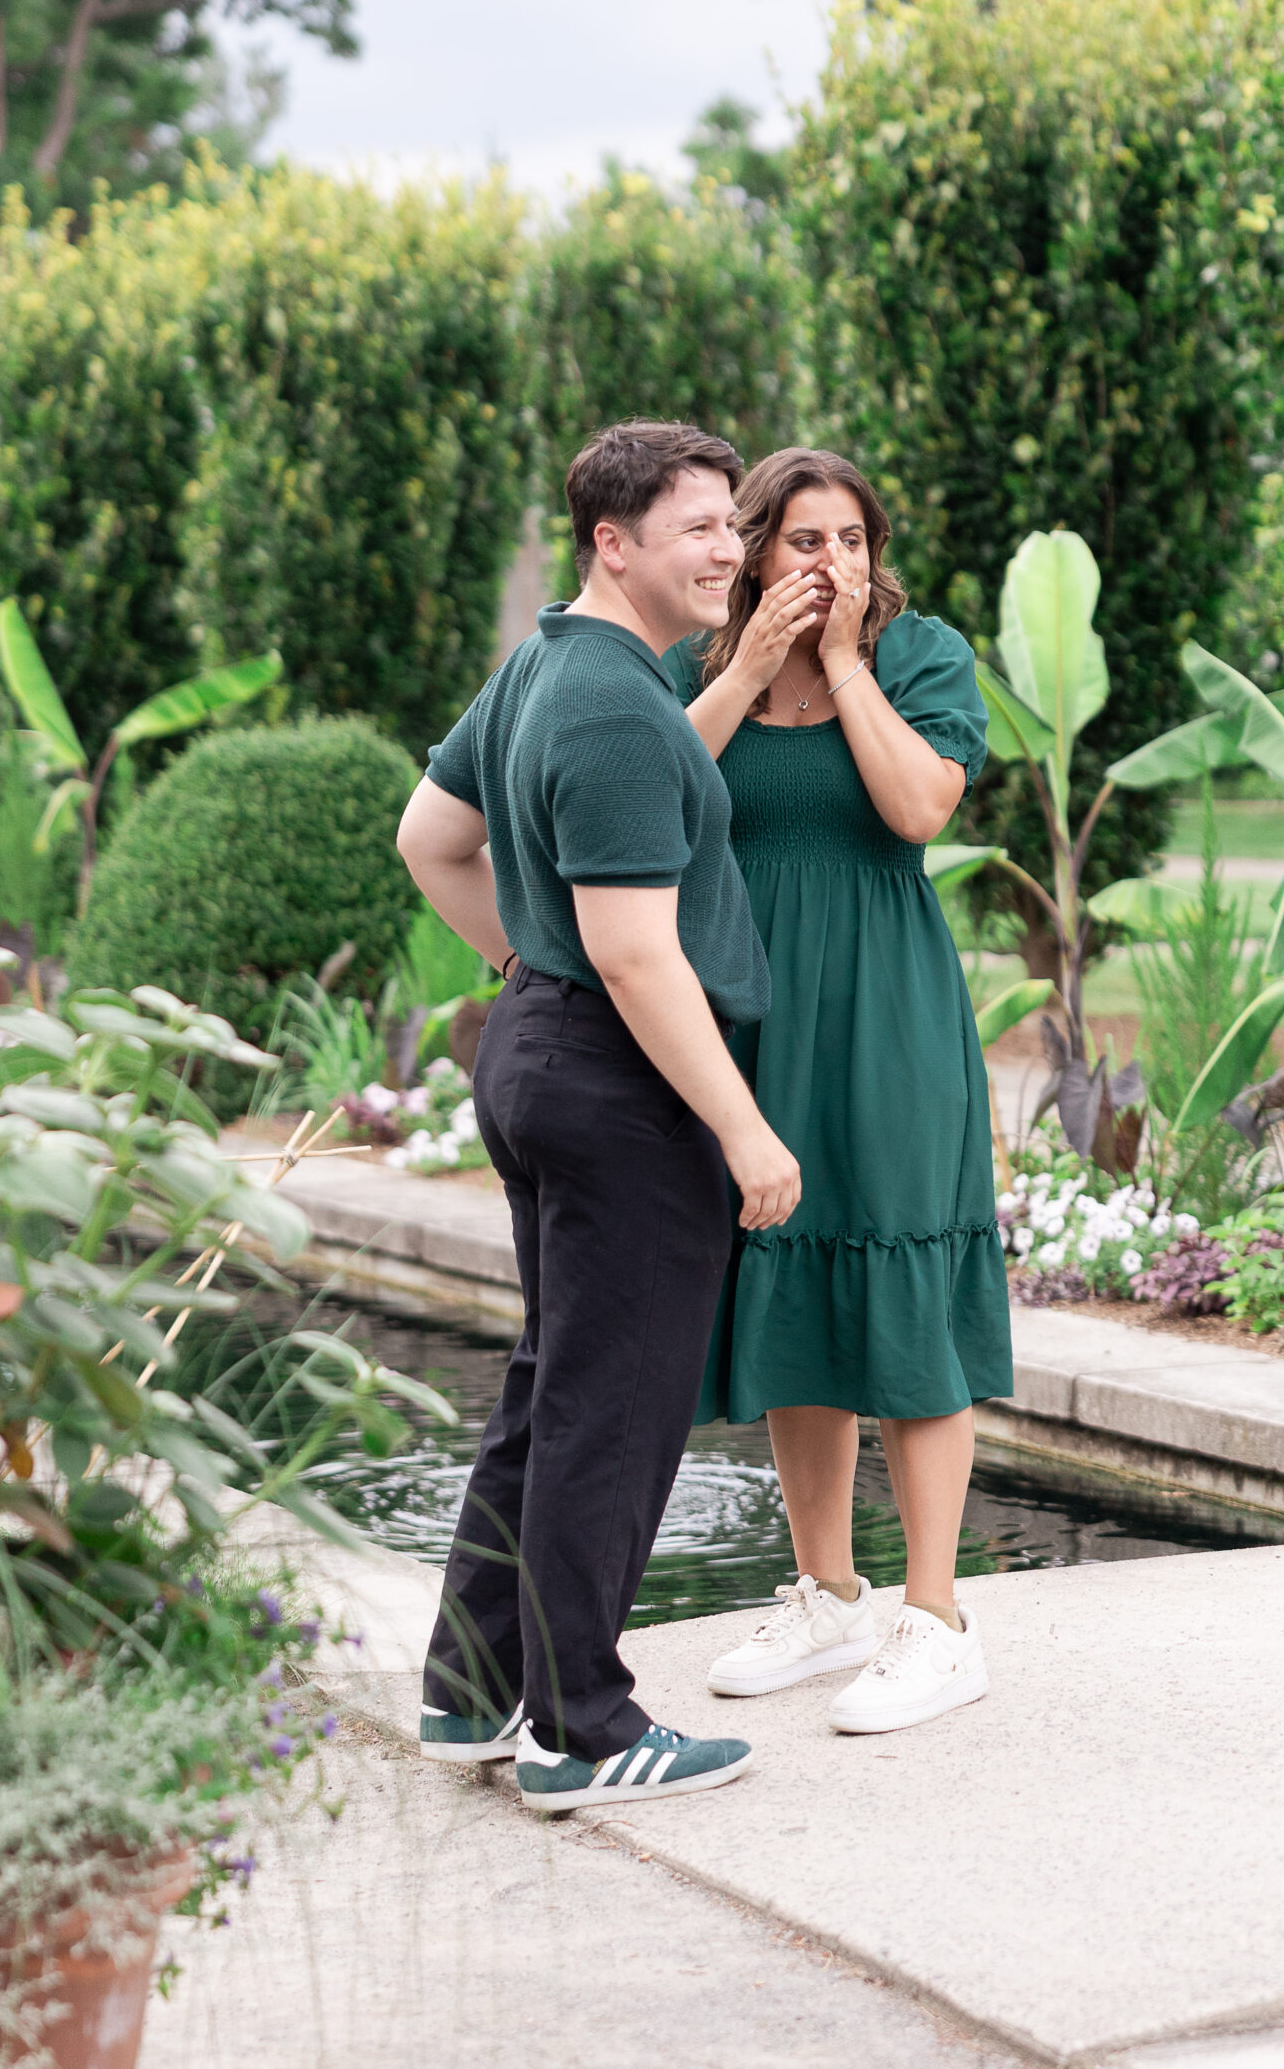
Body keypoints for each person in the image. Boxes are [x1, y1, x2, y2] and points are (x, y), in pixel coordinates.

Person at [396, 419, 802, 1813]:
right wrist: (743, 1129)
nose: (727, 552)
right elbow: (635, 951)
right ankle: (582, 1727)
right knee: (609, 1411)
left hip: (541, 1055)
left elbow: (428, 840)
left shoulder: (541, 673)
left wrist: (519, 961)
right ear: (610, 544)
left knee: (548, 1387)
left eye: (730, 528)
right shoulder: (618, 706)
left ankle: (470, 1692)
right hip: (618, 1083)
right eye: (698, 529)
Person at [662, 447, 1011, 1735]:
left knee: (903, 1284)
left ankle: (938, 1620)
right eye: (804, 540)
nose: (832, 564)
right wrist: (753, 669)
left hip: (887, 1015)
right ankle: (828, 1593)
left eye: (851, 540)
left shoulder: (922, 657)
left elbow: (920, 809)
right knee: (793, 1273)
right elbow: (655, 791)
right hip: (755, 1019)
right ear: (755, 552)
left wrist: (849, 664)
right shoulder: (705, 666)